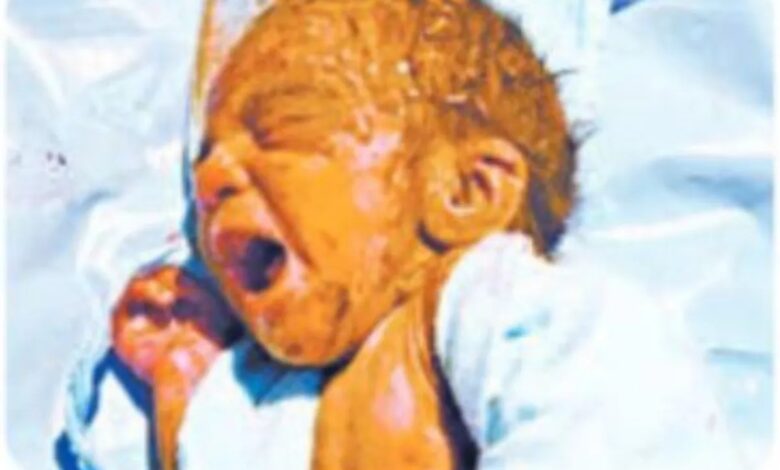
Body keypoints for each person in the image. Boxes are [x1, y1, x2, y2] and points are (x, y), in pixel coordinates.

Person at [70, 1, 744, 469]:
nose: (211, 178)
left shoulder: (501, 307)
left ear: (466, 192)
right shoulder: (268, 398)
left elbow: (610, 420)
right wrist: (184, 373)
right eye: (207, 155)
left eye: (280, 129)